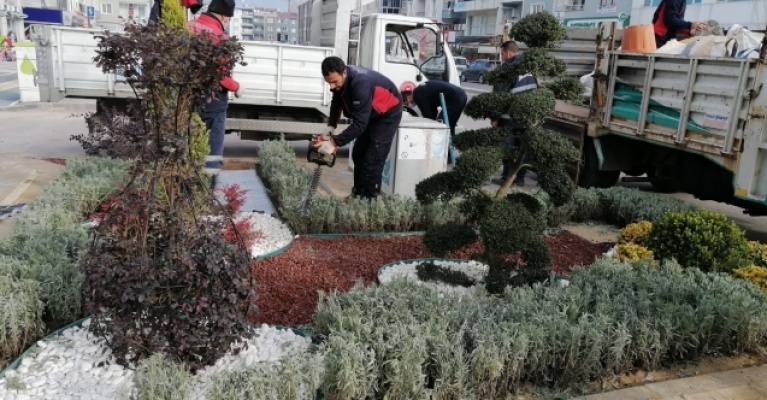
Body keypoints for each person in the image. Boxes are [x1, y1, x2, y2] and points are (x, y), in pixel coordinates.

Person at [314, 56, 403, 199]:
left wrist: (334, 142)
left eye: (334, 82)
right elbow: (337, 101)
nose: (331, 86)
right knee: (358, 154)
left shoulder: (361, 83)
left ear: (343, 73)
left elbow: (360, 125)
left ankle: (369, 205)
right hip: (370, 113)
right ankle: (358, 194)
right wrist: (331, 125)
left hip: (387, 114)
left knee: (372, 162)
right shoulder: (340, 81)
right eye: (328, 83)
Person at [188, 0, 243, 188]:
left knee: (189, 144)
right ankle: (206, 192)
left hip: (187, 98)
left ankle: (187, 189)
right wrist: (236, 86)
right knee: (212, 150)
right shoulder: (220, 37)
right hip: (213, 101)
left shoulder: (189, 28)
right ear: (224, 15)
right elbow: (221, 75)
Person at [491, 40, 537, 186]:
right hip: (528, 116)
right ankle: (520, 179)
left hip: (509, 118)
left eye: (503, 54)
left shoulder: (508, 67)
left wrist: (495, 116)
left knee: (508, 148)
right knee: (523, 149)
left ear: (509, 52)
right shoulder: (530, 65)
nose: (503, 57)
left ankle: (506, 178)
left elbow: (500, 95)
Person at [399, 80, 467, 137]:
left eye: (407, 103)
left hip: (455, 98)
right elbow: (432, 112)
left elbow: (428, 115)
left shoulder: (418, 94)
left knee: (443, 125)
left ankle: (447, 149)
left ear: (408, 97)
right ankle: (449, 149)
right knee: (448, 125)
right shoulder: (421, 90)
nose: (410, 105)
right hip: (460, 95)